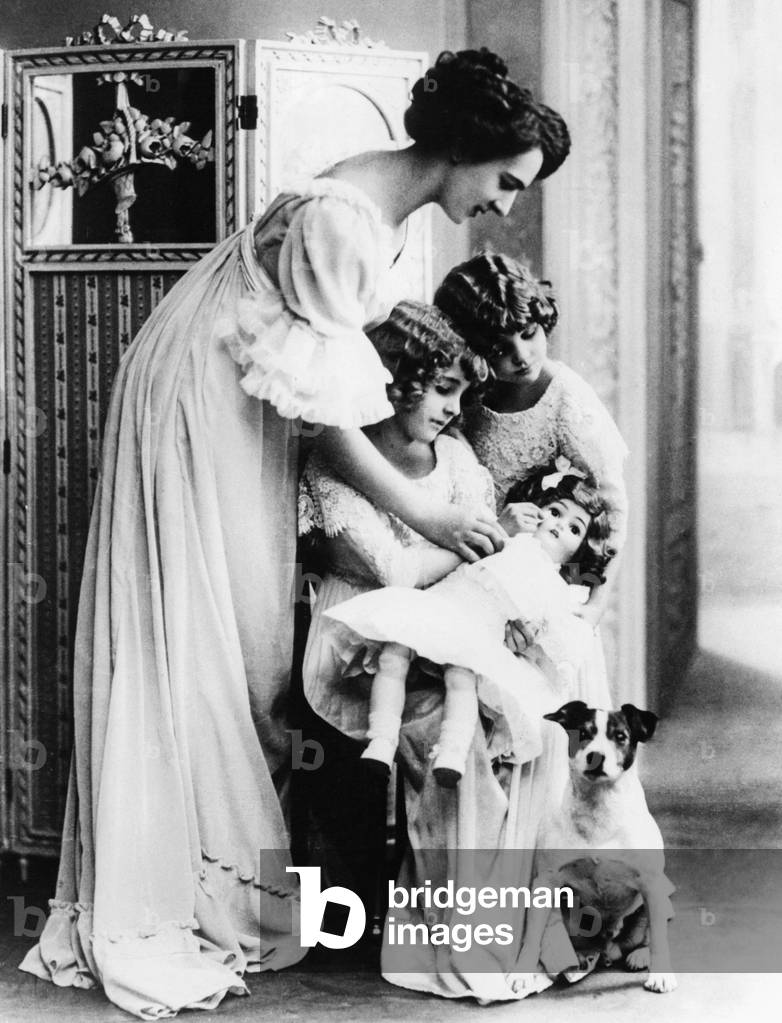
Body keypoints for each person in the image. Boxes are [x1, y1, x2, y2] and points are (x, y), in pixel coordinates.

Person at [19, 49, 570, 1019]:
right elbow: (323, 415)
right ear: (469, 147)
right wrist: (422, 510)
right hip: (205, 395)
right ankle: (188, 884)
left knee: (236, 636)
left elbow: (335, 380)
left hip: (232, 389)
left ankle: (221, 874)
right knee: (205, 629)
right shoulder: (344, 218)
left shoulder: (372, 205)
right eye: (506, 182)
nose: (504, 205)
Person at [325, 460, 615, 788]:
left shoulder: (554, 585)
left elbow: (557, 633)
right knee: (393, 652)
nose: (560, 525)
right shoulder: (502, 535)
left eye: (575, 529)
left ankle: (452, 752)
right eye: (554, 511)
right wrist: (502, 529)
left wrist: (533, 630)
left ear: (577, 555)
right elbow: (453, 553)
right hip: (441, 605)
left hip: (477, 632)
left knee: (461, 676)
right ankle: (380, 738)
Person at [435, 252, 628, 634]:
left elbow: (613, 503)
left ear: (542, 321)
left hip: (525, 581)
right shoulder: (467, 389)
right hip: (462, 563)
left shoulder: (566, 399)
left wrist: (595, 603)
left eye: (528, 335)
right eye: (500, 350)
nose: (522, 358)